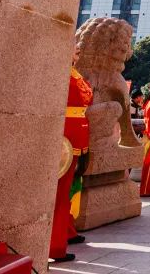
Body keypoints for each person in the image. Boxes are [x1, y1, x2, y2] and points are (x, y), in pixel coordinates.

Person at [49, 47, 93, 263]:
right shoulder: (58, 73)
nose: (78, 50)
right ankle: (55, 245)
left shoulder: (74, 74)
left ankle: (66, 230)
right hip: (65, 137)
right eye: (74, 46)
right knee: (59, 191)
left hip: (78, 136)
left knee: (68, 188)